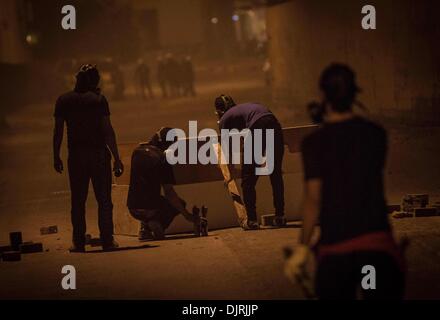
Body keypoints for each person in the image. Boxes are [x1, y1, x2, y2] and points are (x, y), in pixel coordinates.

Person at [284, 63, 406, 299]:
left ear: (323, 95)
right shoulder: (375, 134)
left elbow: (313, 199)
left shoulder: (314, 143)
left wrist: (302, 248)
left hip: (336, 249)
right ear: (354, 94)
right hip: (378, 247)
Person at [53, 64, 124, 252]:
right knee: (104, 200)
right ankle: (107, 241)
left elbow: (58, 131)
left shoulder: (63, 100)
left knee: (78, 201)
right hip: (98, 155)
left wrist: (56, 156)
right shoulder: (99, 100)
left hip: (76, 156)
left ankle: (78, 242)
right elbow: (107, 131)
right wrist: (117, 157)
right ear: (95, 81)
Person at [214, 95, 286, 230]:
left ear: (219, 111)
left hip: (258, 127)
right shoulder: (247, 107)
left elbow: (227, 150)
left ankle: (252, 220)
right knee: (275, 174)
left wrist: (228, 175)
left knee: (248, 180)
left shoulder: (224, 119)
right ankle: (280, 216)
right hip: (273, 124)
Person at [127, 127, 200, 240]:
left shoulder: (136, 152)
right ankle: (155, 222)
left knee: (146, 195)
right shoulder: (163, 159)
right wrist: (187, 215)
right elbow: (169, 193)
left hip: (132, 208)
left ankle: (144, 229)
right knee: (179, 203)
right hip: (151, 209)